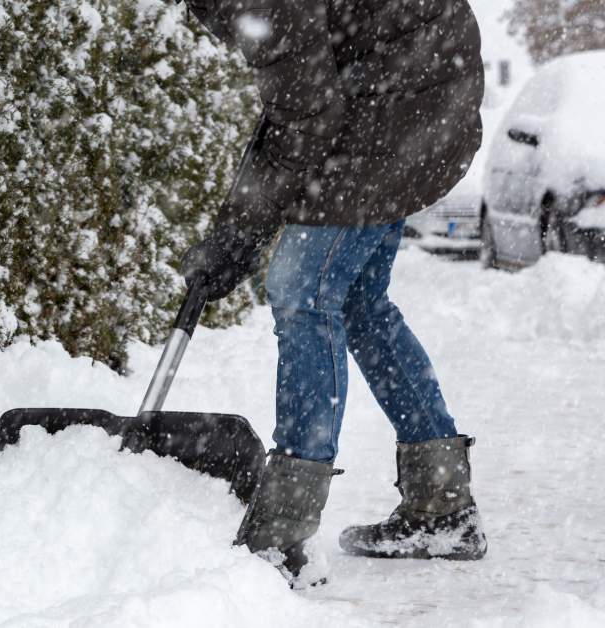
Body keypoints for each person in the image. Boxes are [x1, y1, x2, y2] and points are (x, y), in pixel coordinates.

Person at [179, 0, 489, 586]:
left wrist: (242, 230)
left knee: (300, 293)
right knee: (358, 303)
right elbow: (299, 89)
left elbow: (305, 109)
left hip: (398, 106)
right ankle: (441, 503)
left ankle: (282, 533)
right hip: (415, 92)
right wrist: (237, 227)